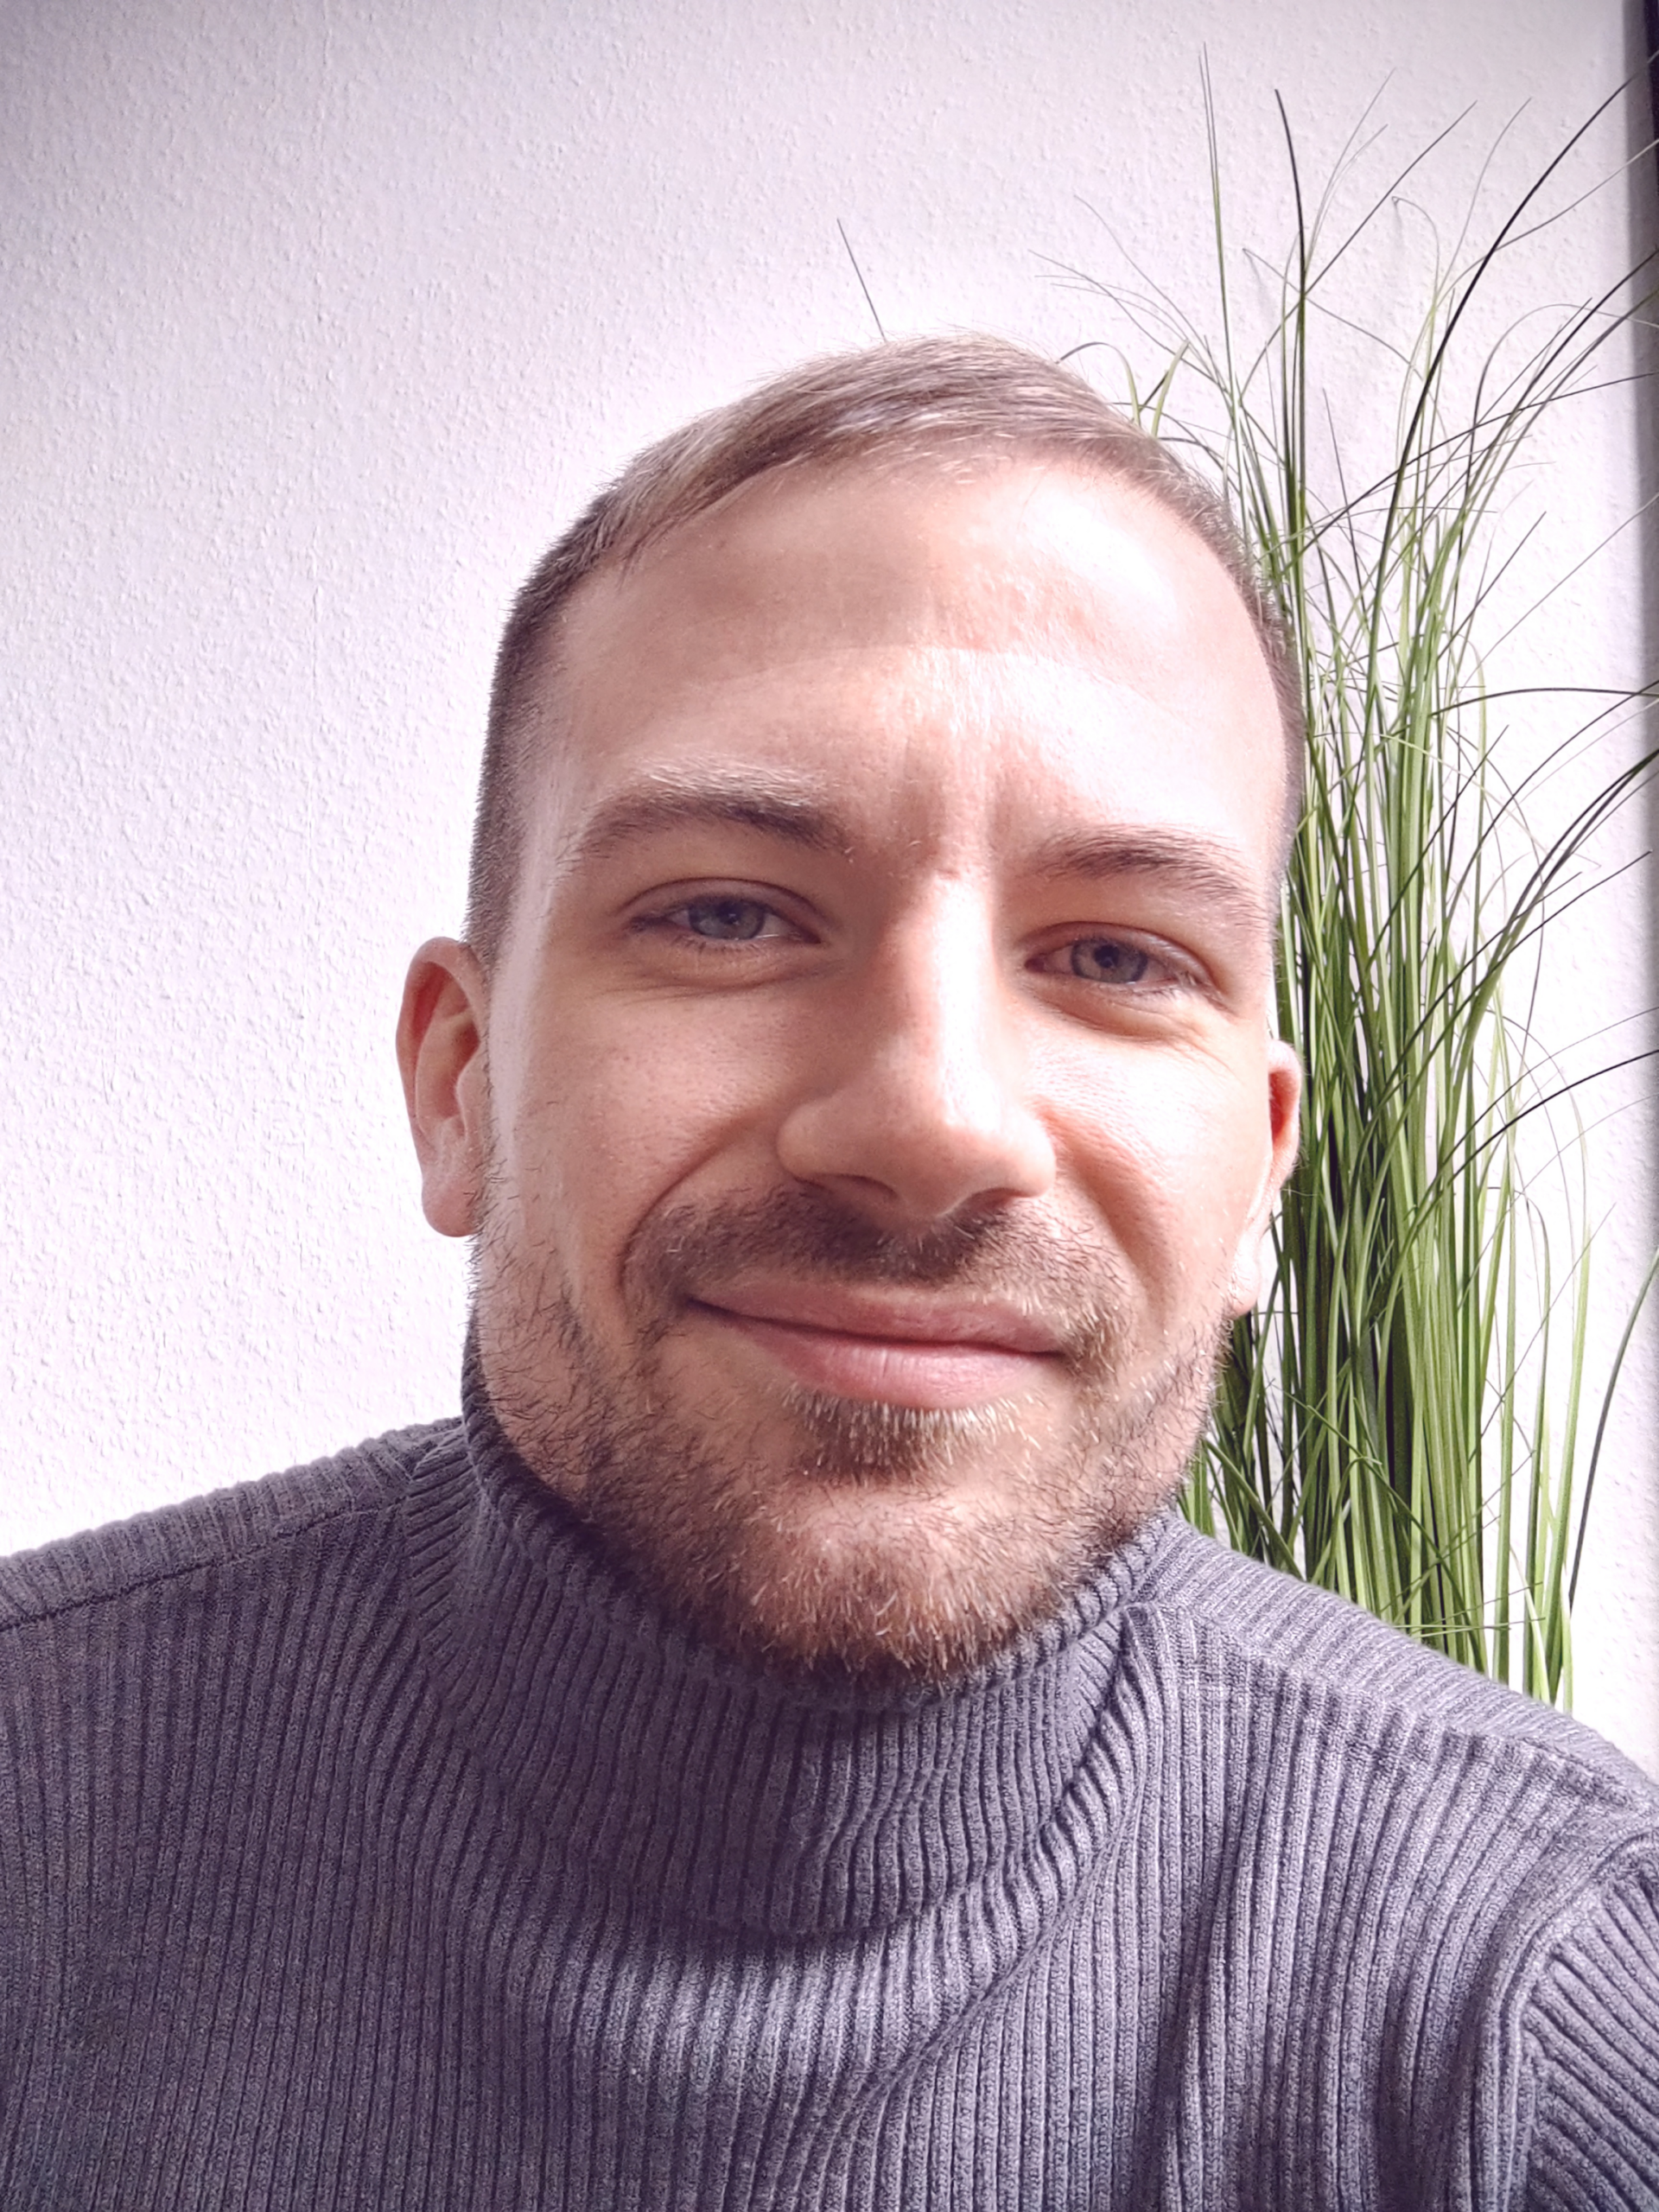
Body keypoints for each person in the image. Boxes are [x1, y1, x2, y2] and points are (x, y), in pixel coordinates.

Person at [1, 336, 1655, 2210]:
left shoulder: (1539, 2009)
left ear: (1265, 1164)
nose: (933, 1121)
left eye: (1119, 957)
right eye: (726, 913)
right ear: (460, 1085)